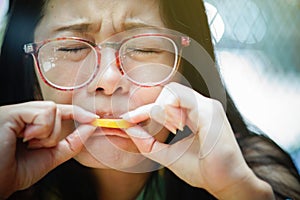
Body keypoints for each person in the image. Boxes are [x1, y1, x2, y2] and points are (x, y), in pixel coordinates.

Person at [0, 0, 299, 199]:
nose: (107, 80)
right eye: (70, 48)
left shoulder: (255, 175)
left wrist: (236, 189)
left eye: (144, 48)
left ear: (183, 70)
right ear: (32, 73)